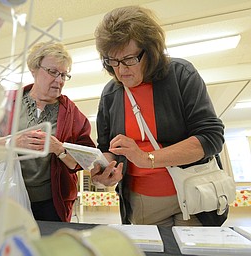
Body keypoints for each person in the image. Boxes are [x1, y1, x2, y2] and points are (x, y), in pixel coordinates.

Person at [90, 6, 226, 227]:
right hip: (143, 202)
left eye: (129, 59)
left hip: (194, 193)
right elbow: (107, 148)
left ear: (150, 52)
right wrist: (102, 172)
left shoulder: (181, 74)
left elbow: (211, 137)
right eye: (112, 61)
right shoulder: (111, 93)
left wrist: (147, 159)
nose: (121, 70)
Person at [0, 42, 95, 222]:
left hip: (50, 205)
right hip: (5, 197)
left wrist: (60, 149)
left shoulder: (73, 115)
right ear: (34, 69)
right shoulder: (6, 104)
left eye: (64, 75)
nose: (59, 80)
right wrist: (12, 142)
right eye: (53, 72)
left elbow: (84, 161)